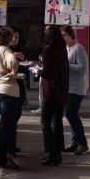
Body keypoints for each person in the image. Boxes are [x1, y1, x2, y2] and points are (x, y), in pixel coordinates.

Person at [0, 26, 21, 169]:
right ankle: (2, 159)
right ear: (9, 39)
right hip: (9, 93)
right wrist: (13, 71)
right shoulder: (7, 51)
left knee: (10, 124)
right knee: (6, 126)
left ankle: (10, 153)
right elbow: (12, 61)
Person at [36, 25, 68, 165]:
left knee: (45, 122)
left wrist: (37, 71)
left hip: (50, 92)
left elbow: (47, 73)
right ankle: (58, 153)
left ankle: (51, 153)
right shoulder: (62, 50)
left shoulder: (47, 51)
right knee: (57, 122)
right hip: (61, 91)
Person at [61, 25, 89, 155]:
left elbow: (83, 68)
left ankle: (82, 143)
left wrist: (66, 65)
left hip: (76, 88)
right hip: (68, 87)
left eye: (65, 35)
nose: (63, 38)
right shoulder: (66, 49)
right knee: (71, 114)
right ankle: (75, 142)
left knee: (70, 113)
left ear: (71, 35)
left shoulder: (78, 48)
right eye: (61, 36)